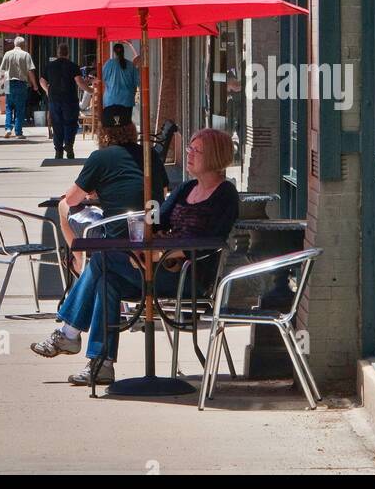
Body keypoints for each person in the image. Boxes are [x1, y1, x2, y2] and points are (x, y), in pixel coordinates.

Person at [31, 126, 237, 388]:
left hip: (189, 276)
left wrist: (169, 253)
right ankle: (101, 363)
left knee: (103, 260)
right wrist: (143, 233)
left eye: (197, 150)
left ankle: (69, 333)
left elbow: (213, 240)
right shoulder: (186, 189)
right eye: (189, 148)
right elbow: (157, 220)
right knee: (108, 281)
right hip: (158, 266)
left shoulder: (224, 194)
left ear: (215, 156)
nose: (189, 154)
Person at [40, 43, 91, 159]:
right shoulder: (73, 66)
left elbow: (42, 81)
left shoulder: (50, 66)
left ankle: (58, 150)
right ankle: (69, 147)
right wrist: (90, 90)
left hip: (54, 100)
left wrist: (48, 90)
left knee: (57, 124)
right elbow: (79, 82)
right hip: (70, 100)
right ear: (68, 53)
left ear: (58, 53)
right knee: (70, 123)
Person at [0, 36, 38, 139]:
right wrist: (35, 85)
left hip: (8, 83)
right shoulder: (26, 55)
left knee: (8, 107)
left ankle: (8, 128)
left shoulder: (7, 54)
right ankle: (18, 132)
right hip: (21, 83)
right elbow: (30, 71)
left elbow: (2, 71)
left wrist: (2, 84)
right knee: (20, 108)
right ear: (23, 45)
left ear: (14, 44)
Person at [101, 42, 140, 114]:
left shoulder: (109, 64)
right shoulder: (131, 65)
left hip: (111, 100)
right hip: (127, 100)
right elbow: (137, 82)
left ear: (114, 52)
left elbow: (101, 78)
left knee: (112, 124)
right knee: (126, 123)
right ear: (123, 52)